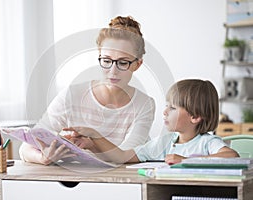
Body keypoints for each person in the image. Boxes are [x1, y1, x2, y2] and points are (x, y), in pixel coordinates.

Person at [19, 16, 155, 165]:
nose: (113, 71)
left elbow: (126, 156)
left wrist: (93, 141)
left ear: (138, 64)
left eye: (123, 62)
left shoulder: (144, 104)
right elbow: (26, 147)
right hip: (76, 182)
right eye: (107, 61)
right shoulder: (71, 96)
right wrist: (43, 158)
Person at [66, 79, 239, 165]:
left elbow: (232, 157)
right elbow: (122, 157)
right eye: (166, 106)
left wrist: (185, 161)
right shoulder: (164, 143)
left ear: (195, 117)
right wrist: (93, 142)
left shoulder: (207, 142)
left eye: (172, 108)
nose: (164, 112)